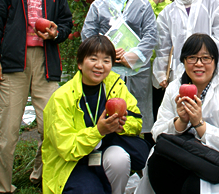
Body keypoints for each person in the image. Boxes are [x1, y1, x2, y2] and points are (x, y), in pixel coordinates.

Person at [0, 0, 73, 194]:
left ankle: (41, 174)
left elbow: (66, 23)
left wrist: (56, 33)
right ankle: (2, 187)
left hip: (46, 62)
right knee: (8, 130)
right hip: (14, 62)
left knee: (52, 127)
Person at [137, 34, 219, 194]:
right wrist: (180, 122)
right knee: (157, 165)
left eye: (205, 58)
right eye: (192, 58)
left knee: (195, 187)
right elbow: (157, 133)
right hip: (181, 156)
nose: (199, 64)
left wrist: (199, 124)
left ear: (215, 61)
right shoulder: (175, 88)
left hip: (212, 162)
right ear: (183, 60)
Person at [42, 35, 144, 194]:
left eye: (106, 60)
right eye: (93, 59)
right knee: (89, 190)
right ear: (80, 63)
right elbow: (67, 148)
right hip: (73, 163)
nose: (99, 66)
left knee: (122, 158)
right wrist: (99, 131)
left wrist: (121, 125)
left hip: (102, 152)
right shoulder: (62, 98)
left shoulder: (115, 85)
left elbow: (136, 121)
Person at [81, 0, 158, 142]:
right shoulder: (99, 5)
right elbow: (87, 35)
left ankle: (138, 160)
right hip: (106, 68)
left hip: (136, 70)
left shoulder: (143, 5)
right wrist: (106, 54)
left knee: (137, 115)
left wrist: (131, 56)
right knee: (105, 113)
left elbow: (151, 36)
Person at [133, 0, 172, 129]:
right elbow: (131, 26)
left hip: (158, 67)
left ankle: (155, 144)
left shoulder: (168, 3)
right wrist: (153, 2)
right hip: (135, 65)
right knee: (135, 106)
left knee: (157, 107)